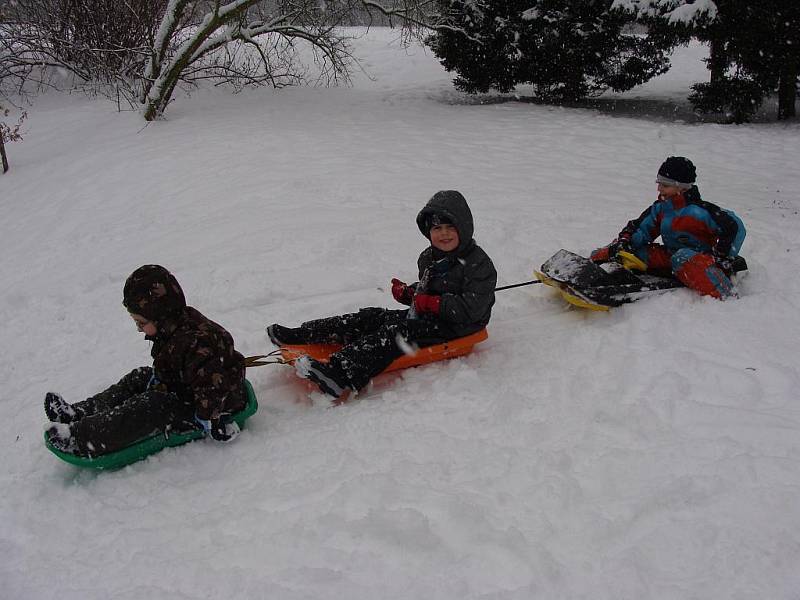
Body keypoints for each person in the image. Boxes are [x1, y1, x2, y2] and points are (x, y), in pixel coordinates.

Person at [267, 190, 497, 400]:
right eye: (437, 228)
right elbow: (428, 290)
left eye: (450, 227)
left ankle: (339, 375)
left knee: (397, 334)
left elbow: (471, 309)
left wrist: (431, 302)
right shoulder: (430, 256)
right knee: (374, 318)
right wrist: (410, 294)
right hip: (430, 316)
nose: (443, 234)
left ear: (463, 228)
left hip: (458, 326)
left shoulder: (479, 264)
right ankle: (305, 334)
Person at [45, 265, 246, 456]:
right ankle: (77, 413)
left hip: (211, 404)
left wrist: (212, 419)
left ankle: (81, 439)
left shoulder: (197, 342)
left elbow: (211, 386)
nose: (139, 329)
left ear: (161, 316)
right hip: (184, 386)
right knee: (139, 377)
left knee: (152, 406)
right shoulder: (173, 325)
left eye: (141, 322)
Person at [589, 156, 746, 299]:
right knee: (629, 250)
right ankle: (590, 267)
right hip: (671, 256)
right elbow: (640, 228)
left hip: (701, 261)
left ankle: (724, 292)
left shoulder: (700, 211)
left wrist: (722, 258)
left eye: (665, 185)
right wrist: (624, 243)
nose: (659, 189)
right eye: (659, 184)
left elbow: (735, 227)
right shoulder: (662, 209)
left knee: (682, 257)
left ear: (682, 188)